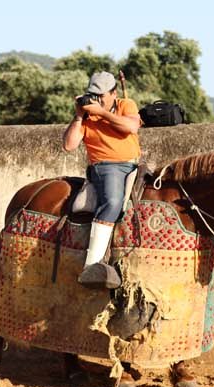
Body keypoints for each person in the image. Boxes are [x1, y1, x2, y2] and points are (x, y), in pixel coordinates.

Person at [62, 71, 141, 286]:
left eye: (101, 95)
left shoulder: (126, 105)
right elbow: (69, 145)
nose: (97, 100)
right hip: (105, 167)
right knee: (113, 202)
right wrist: (79, 116)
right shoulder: (87, 116)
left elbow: (131, 126)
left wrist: (103, 113)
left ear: (114, 93)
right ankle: (91, 266)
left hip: (134, 164)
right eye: (93, 95)